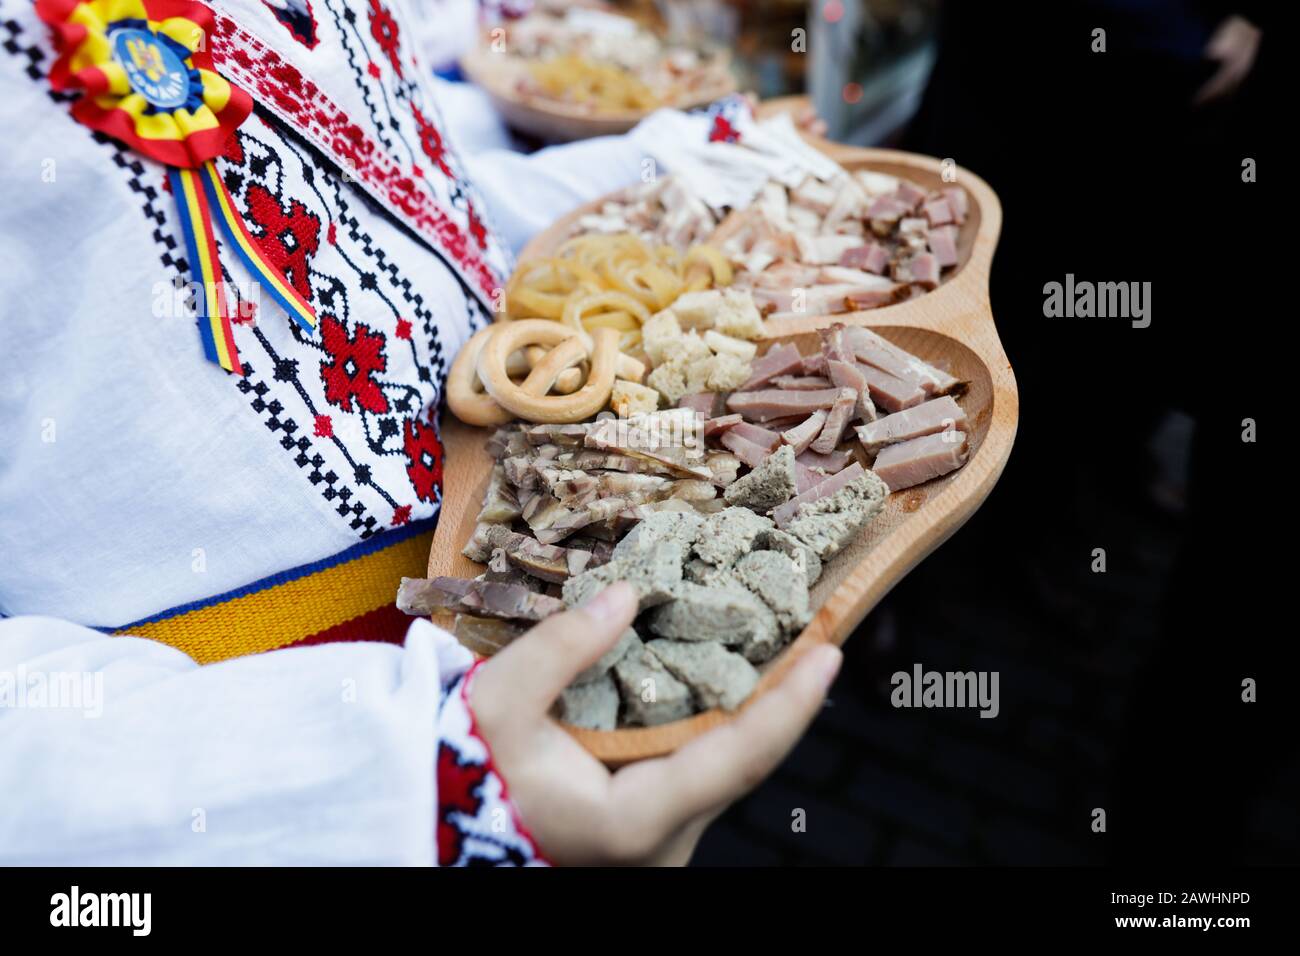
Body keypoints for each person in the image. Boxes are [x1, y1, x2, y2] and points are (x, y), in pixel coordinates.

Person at [0, 0, 841, 866]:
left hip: (566, 583)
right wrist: (406, 780)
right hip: (279, 761)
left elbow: (412, 218)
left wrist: (675, 154)